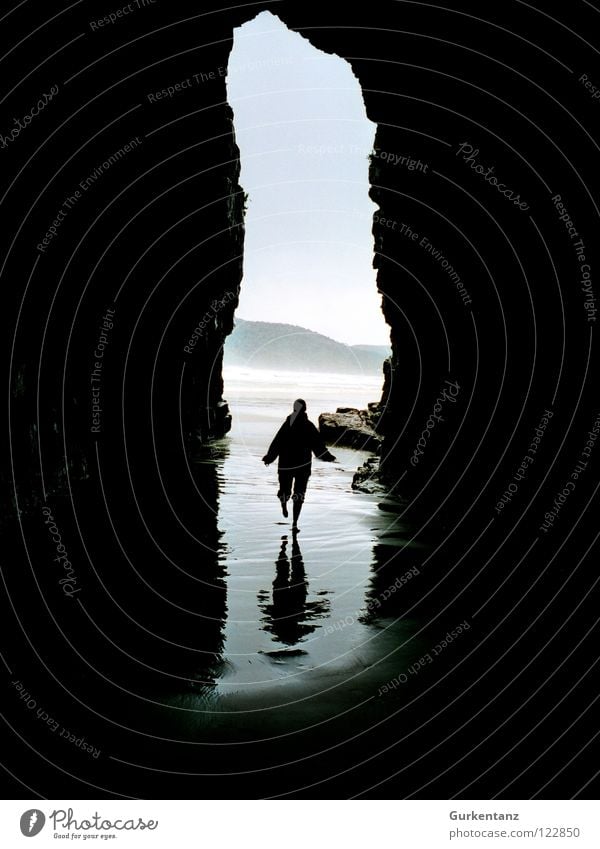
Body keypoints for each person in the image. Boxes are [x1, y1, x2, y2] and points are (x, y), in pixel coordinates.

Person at [262, 399, 336, 531]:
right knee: (299, 494)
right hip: (302, 465)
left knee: (288, 491)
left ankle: (290, 514)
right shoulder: (308, 426)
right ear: (305, 409)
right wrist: (328, 457)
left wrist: (270, 457)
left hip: (286, 464)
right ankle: (294, 520)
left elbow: (277, 442)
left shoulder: (289, 424)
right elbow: (318, 446)